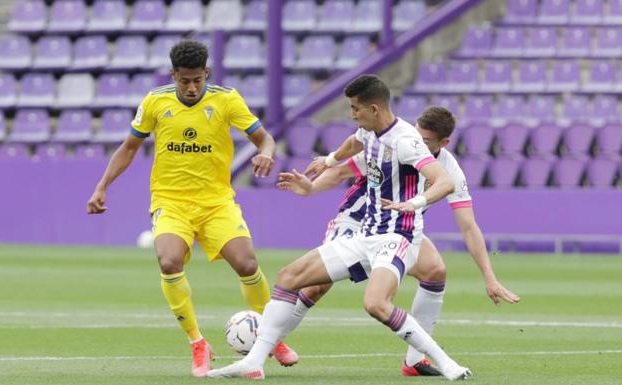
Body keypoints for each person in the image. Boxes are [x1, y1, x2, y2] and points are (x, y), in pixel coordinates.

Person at [207, 74, 471, 380]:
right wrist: (330, 160)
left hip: (397, 236)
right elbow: (354, 141)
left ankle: (447, 363)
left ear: (374, 108)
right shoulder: (371, 130)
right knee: (289, 276)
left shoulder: (405, 142)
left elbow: (445, 181)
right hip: (365, 233)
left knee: (375, 303)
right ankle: (253, 362)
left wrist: (414, 203)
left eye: (355, 108)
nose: (352, 114)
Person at [85, 40, 297, 377]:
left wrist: (267, 153)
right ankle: (198, 344)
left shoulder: (226, 99)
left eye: (197, 79)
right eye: (184, 80)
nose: (191, 87)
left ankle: (271, 339)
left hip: (216, 203)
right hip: (170, 202)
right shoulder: (156, 101)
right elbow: (128, 148)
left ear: (206, 73)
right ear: (173, 75)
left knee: (246, 263)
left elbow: (264, 138)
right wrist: (101, 187)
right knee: (168, 261)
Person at [277, 106, 520, 377]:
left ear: (444, 143)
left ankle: (414, 361)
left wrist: (489, 277)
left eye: (426, 140)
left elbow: (468, 226)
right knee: (316, 286)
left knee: (435, 271)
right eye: (417, 133)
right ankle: (270, 337)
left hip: (397, 228)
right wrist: (313, 185)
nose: (417, 141)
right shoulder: (393, 145)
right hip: (356, 220)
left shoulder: (450, 170)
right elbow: (339, 172)